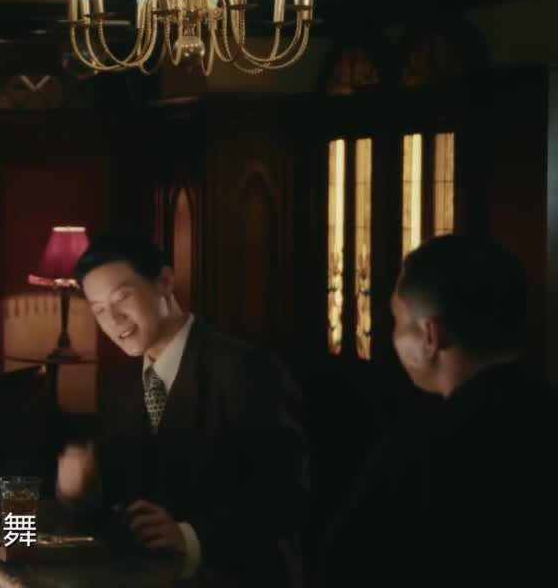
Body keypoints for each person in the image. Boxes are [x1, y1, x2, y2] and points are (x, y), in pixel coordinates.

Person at [55, 233, 307, 587]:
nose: (113, 319)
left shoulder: (245, 369)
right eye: (98, 310)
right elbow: (121, 498)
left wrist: (191, 536)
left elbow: (289, 493)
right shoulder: (121, 384)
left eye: (122, 297)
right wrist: (80, 487)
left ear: (164, 282)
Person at [318, 235, 558, 588]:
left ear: (431, 335)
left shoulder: (420, 451)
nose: (394, 336)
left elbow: (348, 568)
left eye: (397, 320)